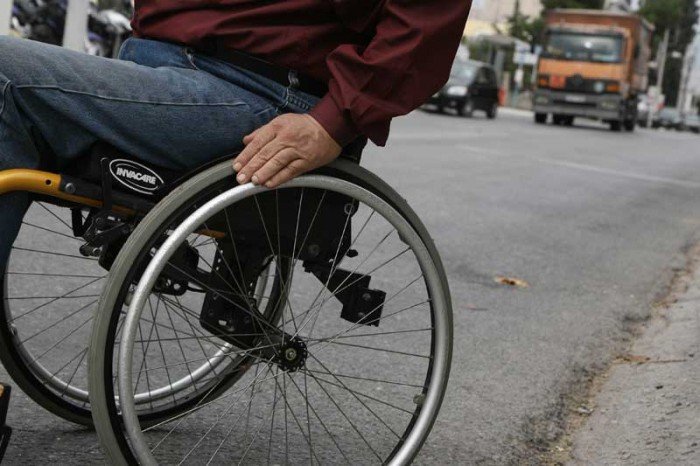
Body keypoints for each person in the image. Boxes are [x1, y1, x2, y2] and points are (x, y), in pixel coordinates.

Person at [0, 0, 471, 267]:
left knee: (6, 72)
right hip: (160, 61)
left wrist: (333, 122)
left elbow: (427, 16)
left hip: (252, 88)